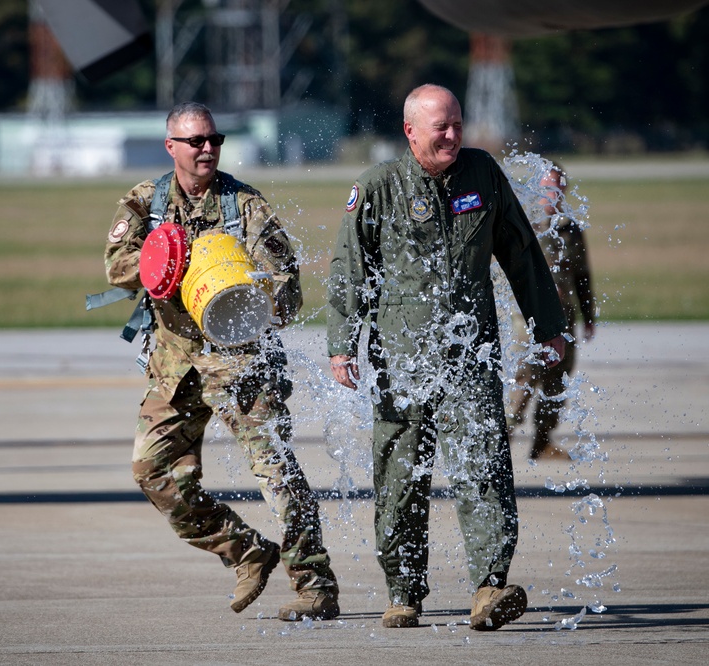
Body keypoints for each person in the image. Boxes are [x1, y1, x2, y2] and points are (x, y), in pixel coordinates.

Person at [326, 84, 568, 631]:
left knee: (483, 463)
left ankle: (490, 587)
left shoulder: (482, 174)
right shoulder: (378, 187)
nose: (454, 135)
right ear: (410, 131)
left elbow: (520, 251)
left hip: (469, 354)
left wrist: (548, 325)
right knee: (400, 475)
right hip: (400, 359)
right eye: (442, 127)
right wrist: (342, 344)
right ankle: (404, 591)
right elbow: (348, 271)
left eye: (458, 123)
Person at [103, 101, 339, 621]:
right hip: (175, 366)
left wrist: (248, 292)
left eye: (214, 140)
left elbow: (289, 290)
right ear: (172, 147)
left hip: (243, 363)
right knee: (152, 469)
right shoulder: (146, 202)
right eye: (195, 141)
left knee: (277, 474)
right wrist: (166, 261)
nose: (207, 148)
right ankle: (245, 551)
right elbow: (116, 265)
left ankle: (315, 586)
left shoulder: (245, 206)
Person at [507, 165, 596, 460]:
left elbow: (582, 277)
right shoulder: (526, 226)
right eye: (547, 188)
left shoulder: (570, 230)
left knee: (558, 380)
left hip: (565, 319)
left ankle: (542, 442)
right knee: (525, 378)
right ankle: (500, 440)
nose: (552, 195)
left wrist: (588, 316)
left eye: (557, 189)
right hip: (528, 321)